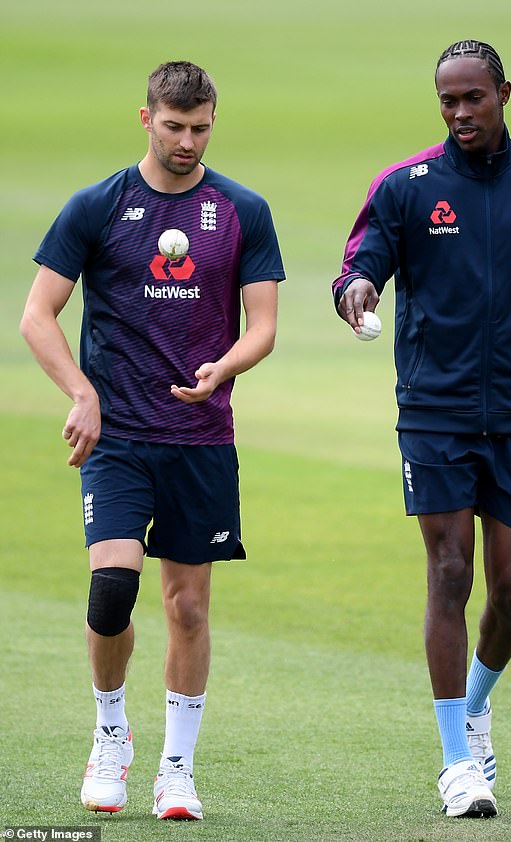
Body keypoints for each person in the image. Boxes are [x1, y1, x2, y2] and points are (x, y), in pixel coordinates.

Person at [20, 60, 285, 820]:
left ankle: (176, 768)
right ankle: (111, 736)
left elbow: (263, 325)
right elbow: (38, 315)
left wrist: (223, 367)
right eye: (174, 127)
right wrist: (81, 393)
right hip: (119, 436)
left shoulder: (242, 210)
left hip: (201, 437)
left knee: (189, 608)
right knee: (112, 591)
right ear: (146, 119)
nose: (187, 141)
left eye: (201, 128)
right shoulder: (98, 206)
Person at [332, 40, 511, 818]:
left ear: (504, 92)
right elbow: (361, 259)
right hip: (434, 415)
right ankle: (456, 764)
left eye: (474, 98)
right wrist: (358, 289)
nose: (459, 112)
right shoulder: (408, 186)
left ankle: (476, 707)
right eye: (447, 100)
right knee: (450, 574)